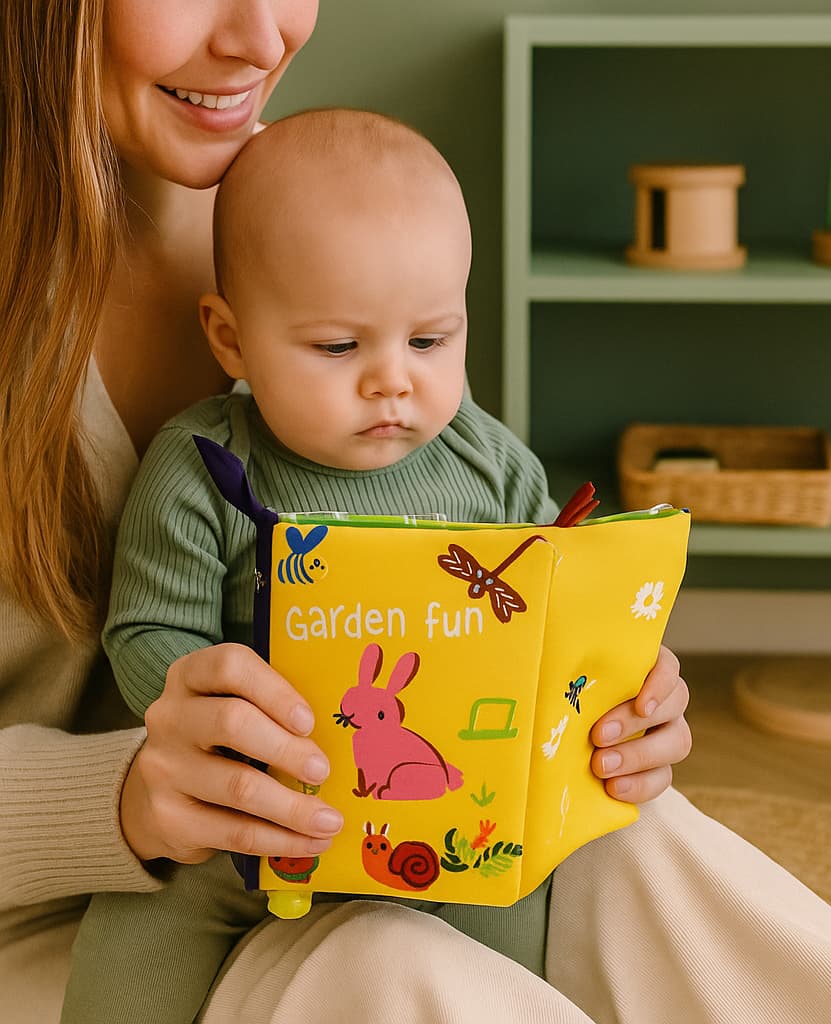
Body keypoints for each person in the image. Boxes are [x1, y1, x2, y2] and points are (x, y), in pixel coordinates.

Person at [0, 5, 693, 1023]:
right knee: (356, 965)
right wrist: (152, 771)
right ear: (230, 337)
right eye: (335, 348)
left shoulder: (332, 210)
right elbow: (153, 632)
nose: (261, 36)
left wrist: (620, 699)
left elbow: (555, 596)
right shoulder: (209, 456)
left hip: (428, 815)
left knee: (647, 852)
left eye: (431, 341)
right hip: (161, 860)